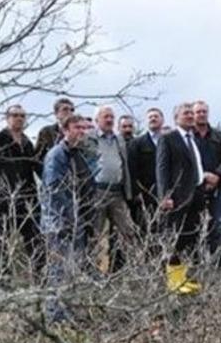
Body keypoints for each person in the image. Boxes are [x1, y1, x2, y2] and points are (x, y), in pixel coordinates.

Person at [42, 114, 97, 321]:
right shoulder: (57, 155)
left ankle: (69, 312)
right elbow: (55, 189)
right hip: (59, 224)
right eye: (77, 128)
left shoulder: (78, 154)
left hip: (77, 222)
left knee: (73, 270)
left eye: (84, 128)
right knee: (59, 271)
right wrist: (70, 217)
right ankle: (55, 316)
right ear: (65, 130)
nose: (81, 132)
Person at [0, 105, 43, 274]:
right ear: (7, 118)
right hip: (2, 200)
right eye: (15, 115)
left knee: (35, 238)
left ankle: (40, 276)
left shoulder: (27, 143)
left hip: (27, 199)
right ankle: (2, 278)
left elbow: (37, 169)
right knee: (2, 241)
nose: (19, 118)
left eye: (22, 115)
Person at [156, 102, 205, 294]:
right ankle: (174, 281)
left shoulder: (194, 139)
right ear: (176, 117)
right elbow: (162, 168)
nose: (191, 116)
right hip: (177, 197)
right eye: (186, 113)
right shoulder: (168, 138)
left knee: (190, 238)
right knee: (174, 239)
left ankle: (184, 278)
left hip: (196, 195)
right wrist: (165, 195)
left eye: (191, 113)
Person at [85, 106, 135, 272]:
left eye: (112, 117)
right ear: (97, 119)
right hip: (97, 192)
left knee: (127, 231)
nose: (109, 120)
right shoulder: (88, 138)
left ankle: (126, 269)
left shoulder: (118, 139)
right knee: (95, 234)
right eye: (105, 116)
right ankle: (93, 271)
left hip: (117, 192)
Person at [192, 100, 221, 260]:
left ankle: (219, 262)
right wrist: (203, 176)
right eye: (198, 112)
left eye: (204, 111)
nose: (201, 114)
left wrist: (216, 175)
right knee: (196, 225)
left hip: (218, 187)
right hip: (195, 187)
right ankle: (198, 261)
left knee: (217, 225)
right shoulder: (188, 137)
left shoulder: (218, 136)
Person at [128, 108, 164, 231]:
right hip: (145, 192)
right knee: (146, 228)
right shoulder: (137, 143)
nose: (153, 119)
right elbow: (132, 169)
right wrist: (136, 192)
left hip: (165, 192)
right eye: (150, 117)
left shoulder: (170, 141)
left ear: (162, 120)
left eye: (156, 116)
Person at [34, 98, 75, 163]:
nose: (69, 112)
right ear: (56, 114)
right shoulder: (46, 132)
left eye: (72, 110)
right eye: (65, 109)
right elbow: (37, 158)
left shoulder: (78, 132)